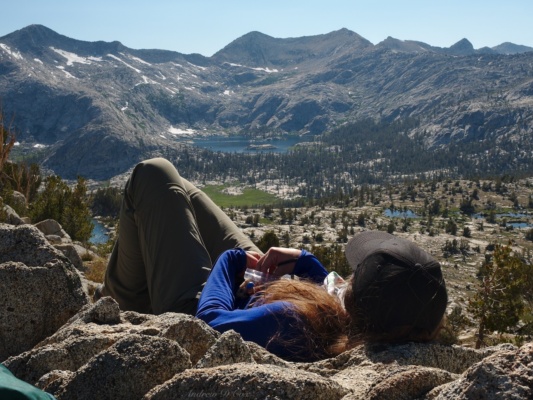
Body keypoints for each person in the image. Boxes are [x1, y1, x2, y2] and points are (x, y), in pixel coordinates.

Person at [97, 158, 448, 361]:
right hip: (258, 303)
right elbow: (340, 308)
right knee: (182, 188)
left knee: (153, 174)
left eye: (357, 274)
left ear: (357, 295)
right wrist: (307, 263)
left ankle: (117, 300)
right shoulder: (376, 325)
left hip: (194, 307)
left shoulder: (291, 320)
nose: (348, 277)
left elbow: (212, 325)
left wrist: (231, 262)